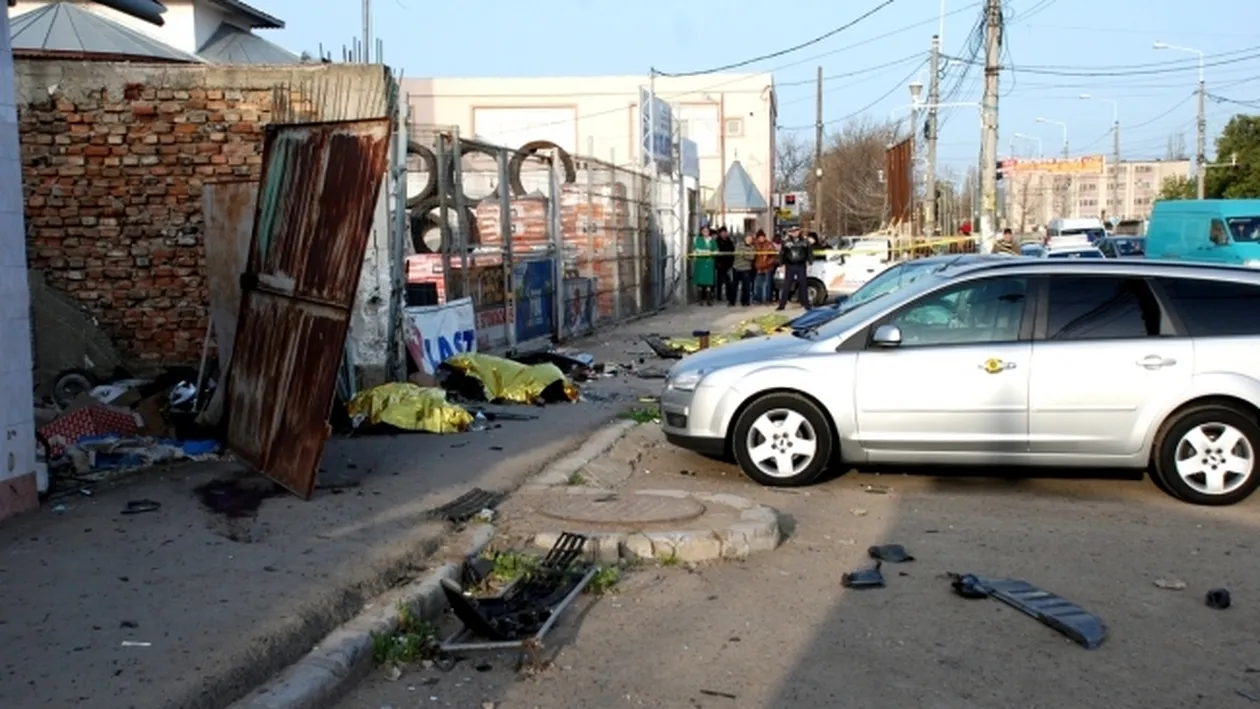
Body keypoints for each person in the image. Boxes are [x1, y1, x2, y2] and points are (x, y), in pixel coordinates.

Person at [777, 227, 813, 311]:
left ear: (799, 231)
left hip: (801, 265)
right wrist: (781, 264)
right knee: (787, 285)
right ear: (790, 233)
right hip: (790, 265)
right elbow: (782, 253)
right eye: (793, 231)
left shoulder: (805, 241)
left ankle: (806, 304)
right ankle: (782, 305)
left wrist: (810, 263)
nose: (795, 233)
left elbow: (809, 252)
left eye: (796, 231)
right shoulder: (786, 241)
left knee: (803, 284)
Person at [729, 232, 756, 306]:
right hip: (737, 267)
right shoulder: (739, 245)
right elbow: (737, 254)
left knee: (746, 286)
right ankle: (732, 301)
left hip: (746, 268)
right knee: (734, 285)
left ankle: (745, 301)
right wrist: (746, 254)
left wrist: (744, 254)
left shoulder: (752, 247)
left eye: (750, 239)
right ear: (745, 238)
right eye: (748, 238)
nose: (749, 240)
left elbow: (752, 257)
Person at [692, 226, 717, 305]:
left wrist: (713, 252)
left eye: (707, 231)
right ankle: (700, 300)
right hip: (701, 262)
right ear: (701, 232)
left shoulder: (712, 240)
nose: (706, 233)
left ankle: (708, 300)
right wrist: (705, 251)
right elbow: (696, 249)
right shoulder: (698, 239)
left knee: (709, 282)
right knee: (700, 281)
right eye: (704, 231)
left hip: (709, 262)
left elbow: (716, 249)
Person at [752, 229, 776, 304]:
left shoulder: (769, 244)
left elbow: (774, 255)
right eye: (760, 237)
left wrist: (769, 263)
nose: (762, 238)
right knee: (758, 284)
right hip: (758, 267)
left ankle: (768, 299)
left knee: (768, 284)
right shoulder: (755, 244)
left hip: (768, 267)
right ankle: (759, 299)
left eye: (763, 237)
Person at [714, 226, 735, 303]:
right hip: (720, 264)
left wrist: (731, 262)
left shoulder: (729, 241)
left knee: (728, 281)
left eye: (725, 232)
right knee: (719, 281)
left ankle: (728, 295)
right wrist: (717, 263)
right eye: (722, 233)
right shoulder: (717, 241)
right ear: (720, 233)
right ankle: (719, 296)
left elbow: (733, 251)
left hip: (728, 264)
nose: (724, 234)